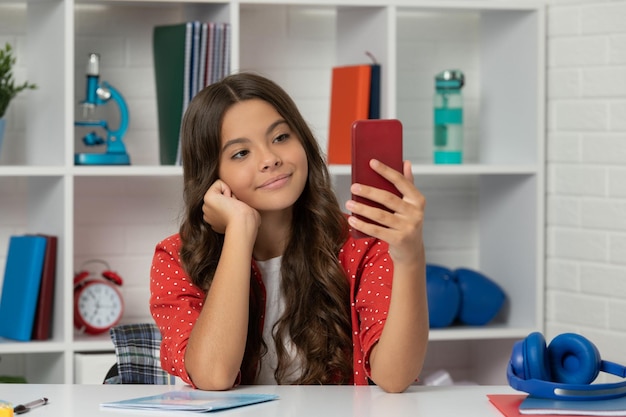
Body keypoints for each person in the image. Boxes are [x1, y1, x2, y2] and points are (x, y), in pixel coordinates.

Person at [150, 72, 428, 393]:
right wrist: (240, 230)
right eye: (241, 153)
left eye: (280, 137)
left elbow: (394, 377)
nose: (270, 159)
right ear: (212, 174)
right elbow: (213, 375)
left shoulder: (360, 243)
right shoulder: (177, 258)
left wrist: (410, 256)